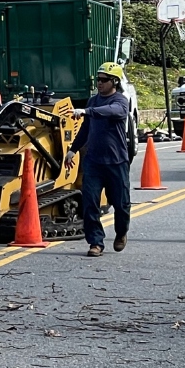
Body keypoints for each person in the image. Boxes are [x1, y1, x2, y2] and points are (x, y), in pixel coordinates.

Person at [64, 62, 131, 257]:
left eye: (104, 80)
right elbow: (85, 128)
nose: (99, 83)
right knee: (90, 202)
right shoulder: (93, 101)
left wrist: (87, 112)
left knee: (121, 204)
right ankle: (96, 242)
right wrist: (73, 150)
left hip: (116, 162)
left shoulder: (120, 101)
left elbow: (114, 111)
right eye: (98, 79)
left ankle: (121, 232)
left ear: (115, 82)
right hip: (93, 162)